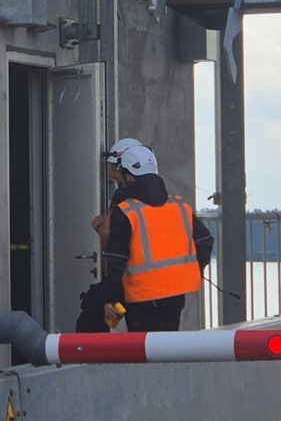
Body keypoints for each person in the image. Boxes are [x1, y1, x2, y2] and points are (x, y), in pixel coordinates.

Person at [96, 144, 213, 332]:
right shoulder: (179, 205)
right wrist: (192, 271)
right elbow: (205, 241)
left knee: (144, 352)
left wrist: (110, 298)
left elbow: (116, 259)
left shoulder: (126, 211)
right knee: (168, 350)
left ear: (127, 174)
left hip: (141, 297)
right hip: (175, 294)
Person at [74, 137, 150, 333]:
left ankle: (90, 358)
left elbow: (113, 242)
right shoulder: (156, 197)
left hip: (132, 278)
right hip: (146, 282)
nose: (111, 173)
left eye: (114, 167)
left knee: (94, 311)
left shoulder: (125, 196)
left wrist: (100, 226)